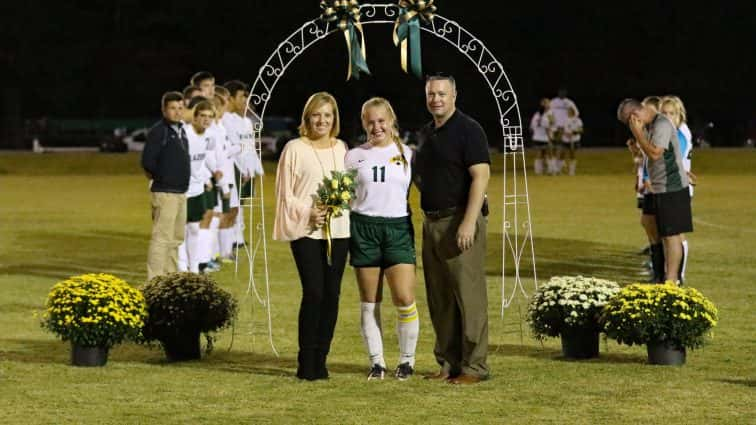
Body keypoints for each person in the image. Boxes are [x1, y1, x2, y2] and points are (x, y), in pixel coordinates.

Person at [415, 74, 491, 385]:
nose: (436, 99)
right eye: (432, 94)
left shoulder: (469, 130)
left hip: (459, 221)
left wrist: (469, 222)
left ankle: (474, 368)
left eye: (442, 94)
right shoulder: (427, 133)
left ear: (455, 95)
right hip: (431, 223)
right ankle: (448, 363)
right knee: (440, 298)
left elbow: (481, 177)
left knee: (468, 296)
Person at [273, 92, 350, 381]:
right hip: (306, 231)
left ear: (334, 119)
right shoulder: (294, 148)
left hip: (339, 231)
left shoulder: (342, 148)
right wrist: (309, 212)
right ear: (308, 118)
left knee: (332, 295)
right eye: (317, 114)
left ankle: (322, 358)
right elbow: (285, 193)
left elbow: (348, 187)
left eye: (328, 115)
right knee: (314, 293)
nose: (322, 120)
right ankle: (306, 361)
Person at [345, 97, 419, 381]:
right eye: (370, 121)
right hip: (363, 227)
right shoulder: (353, 156)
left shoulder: (409, 154)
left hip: (397, 227)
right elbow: (342, 194)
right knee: (370, 301)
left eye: (381, 121)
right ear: (364, 123)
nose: (376, 127)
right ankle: (377, 363)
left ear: (392, 121)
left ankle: (407, 361)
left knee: (404, 297)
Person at [617, 98, 692, 284]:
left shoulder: (661, 124)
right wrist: (637, 146)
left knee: (671, 235)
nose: (631, 126)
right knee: (657, 230)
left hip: (671, 186)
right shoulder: (650, 126)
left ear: (634, 116)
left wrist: (638, 134)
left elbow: (656, 153)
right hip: (660, 187)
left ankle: (673, 280)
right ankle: (660, 277)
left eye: (629, 122)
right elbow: (649, 156)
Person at [141, 91, 191, 280]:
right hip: (165, 192)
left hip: (180, 192)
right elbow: (147, 162)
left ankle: (170, 277)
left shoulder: (181, 130)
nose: (177, 112)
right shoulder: (159, 131)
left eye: (180, 108)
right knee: (161, 239)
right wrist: (162, 179)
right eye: (173, 108)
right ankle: (155, 279)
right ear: (164, 110)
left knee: (176, 238)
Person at [660, 95, 696, 284]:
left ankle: (676, 276)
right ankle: (673, 274)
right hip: (671, 186)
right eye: (663, 113)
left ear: (679, 115)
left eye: (671, 113)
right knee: (670, 235)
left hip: (676, 188)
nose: (666, 117)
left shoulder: (678, 133)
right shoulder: (672, 131)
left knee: (675, 235)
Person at [528, 98, 551, 175]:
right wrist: (550, 138)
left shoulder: (536, 116)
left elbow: (531, 128)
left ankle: (538, 171)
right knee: (545, 154)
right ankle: (547, 170)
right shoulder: (545, 117)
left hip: (536, 138)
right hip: (544, 138)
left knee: (539, 154)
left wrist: (534, 135)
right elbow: (548, 129)